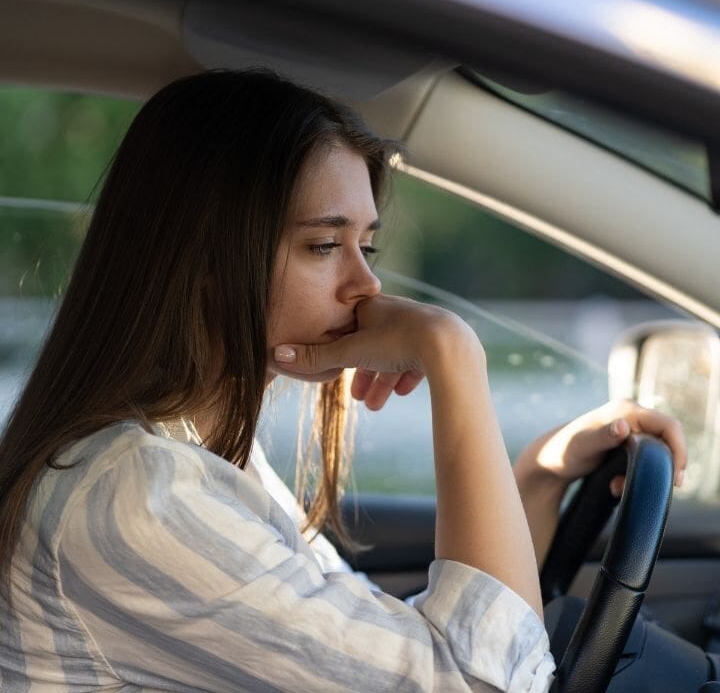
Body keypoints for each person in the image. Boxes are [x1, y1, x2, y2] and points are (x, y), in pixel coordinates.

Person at [0, 69, 686, 693]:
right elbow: (471, 682)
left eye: (368, 245)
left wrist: (536, 476)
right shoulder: (136, 498)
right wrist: (452, 354)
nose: (367, 285)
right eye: (324, 246)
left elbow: (391, 652)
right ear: (204, 261)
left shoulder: (196, 457)